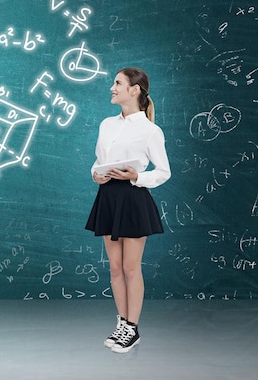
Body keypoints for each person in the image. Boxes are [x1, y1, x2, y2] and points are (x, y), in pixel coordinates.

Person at [85, 67, 171, 353]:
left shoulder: (150, 131)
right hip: (108, 197)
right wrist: (96, 175)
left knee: (132, 268)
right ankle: (122, 323)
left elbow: (163, 172)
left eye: (118, 83)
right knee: (115, 268)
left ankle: (132, 328)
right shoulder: (106, 124)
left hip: (133, 199)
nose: (112, 87)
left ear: (134, 90)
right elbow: (99, 161)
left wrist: (135, 177)